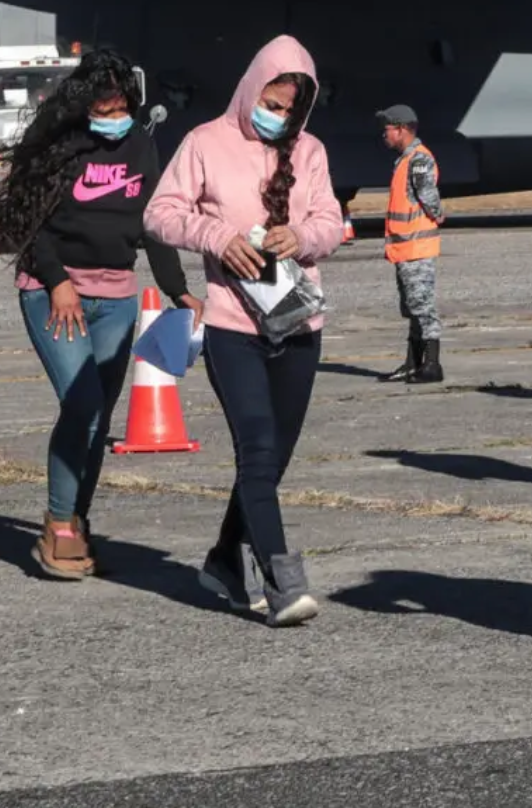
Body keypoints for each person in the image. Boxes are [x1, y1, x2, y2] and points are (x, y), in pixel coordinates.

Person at [146, 36, 344, 626]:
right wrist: (216, 238)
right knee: (256, 449)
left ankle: (223, 563)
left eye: (290, 109)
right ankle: (283, 580)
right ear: (251, 87)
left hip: (298, 323)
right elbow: (159, 213)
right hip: (233, 326)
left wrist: (302, 238)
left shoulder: (310, 152)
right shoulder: (204, 142)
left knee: (272, 462)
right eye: (271, 101)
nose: (278, 116)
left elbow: (333, 222)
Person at [0, 48, 203, 580]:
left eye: (119, 108)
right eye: (101, 110)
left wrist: (178, 291)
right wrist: (58, 282)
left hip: (117, 296)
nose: (111, 119)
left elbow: (154, 222)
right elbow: (29, 221)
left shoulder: (142, 146)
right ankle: (58, 523)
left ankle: (77, 519)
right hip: (55, 290)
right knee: (81, 403)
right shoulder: (59, 144)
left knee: (98, 416)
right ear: (83, 105)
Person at [377, 104, 445, 384]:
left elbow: (428, 194)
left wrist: (438, 214)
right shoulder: (406, 159)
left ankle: (432, 365)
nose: (384, 135)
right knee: (412, 307)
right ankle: (413, 363)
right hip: (405, 248)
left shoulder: (418, 159)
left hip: (417, 247)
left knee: (423, 307)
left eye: (388, 129)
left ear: (402, 129)